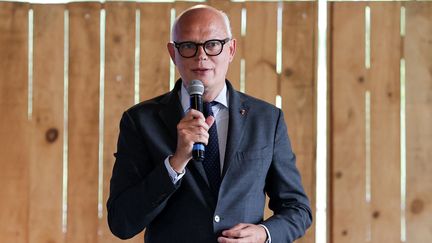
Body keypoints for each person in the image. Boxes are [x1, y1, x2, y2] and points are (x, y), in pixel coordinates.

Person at [107, 5, 312, 243]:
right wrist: (176, 163)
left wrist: (263, 234)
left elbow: (297, 209)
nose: (201, 56)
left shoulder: (267, 119)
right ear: (173, 53)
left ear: (231, 49)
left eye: (213, 44)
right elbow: (121, 222)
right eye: (188, 46)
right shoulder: (140, 121)